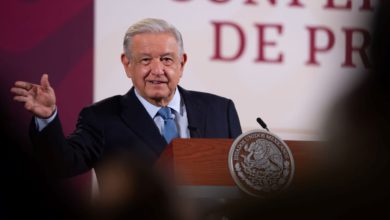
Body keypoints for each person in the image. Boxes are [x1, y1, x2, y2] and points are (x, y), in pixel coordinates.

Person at [10, 18, 242, 177]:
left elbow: (243, 177)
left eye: (167, 59)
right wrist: (47, 118)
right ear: (127, 64)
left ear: (182, 64)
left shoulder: (221, 110)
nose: (157, 70)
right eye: (145, 60)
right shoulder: (101, 118)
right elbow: (61, 165)